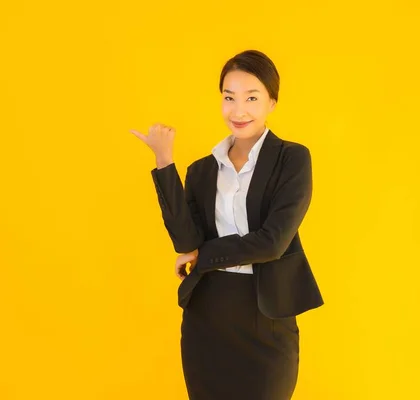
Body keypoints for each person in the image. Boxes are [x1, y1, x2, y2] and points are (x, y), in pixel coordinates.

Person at [130, 50, 324, 400]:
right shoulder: (203, 170)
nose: (239, 110)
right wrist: (164, 162)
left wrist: (203, 254)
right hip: (207, 315)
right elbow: (185, 239)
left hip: (266, 315)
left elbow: (272, 242)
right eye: (228, 97)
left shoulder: (292, 159)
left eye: (252, 98)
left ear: (272, 101)